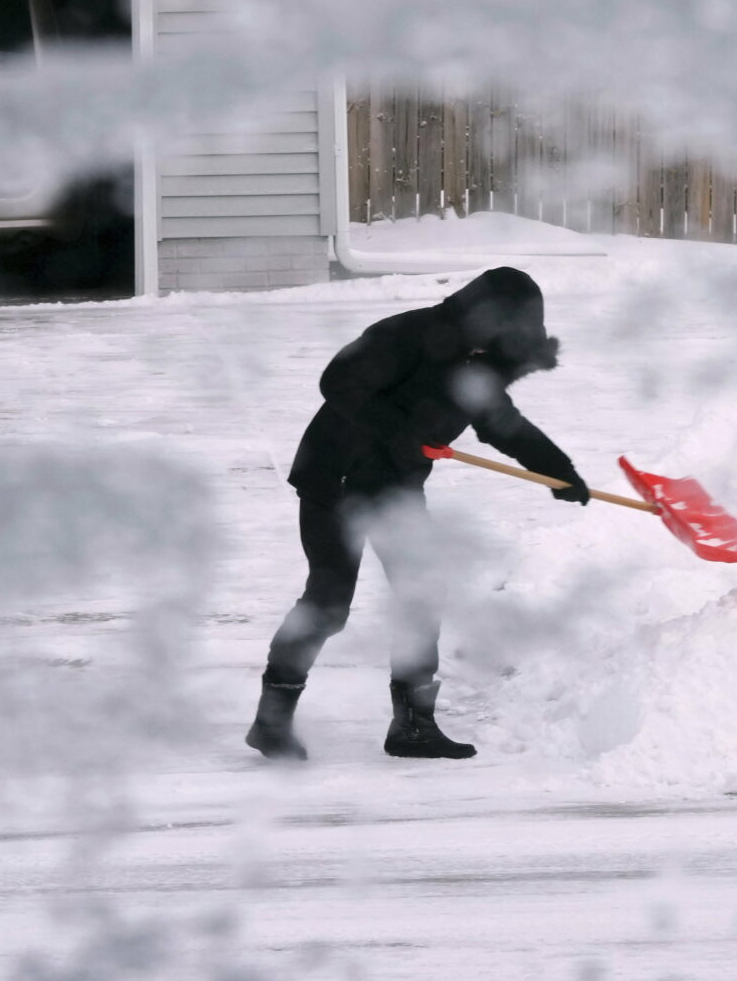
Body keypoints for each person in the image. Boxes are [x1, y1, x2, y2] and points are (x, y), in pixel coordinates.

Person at [247, 266, 589, 762]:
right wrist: (399, 431)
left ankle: (413, 727)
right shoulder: (409, 334)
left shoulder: (483, 362)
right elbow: (338, 381)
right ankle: (270, 721)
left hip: (395, 488)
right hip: (336, 476)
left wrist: (559, 470)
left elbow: (501, 423)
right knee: (328, 602)